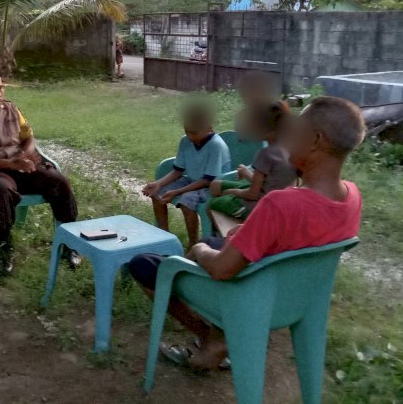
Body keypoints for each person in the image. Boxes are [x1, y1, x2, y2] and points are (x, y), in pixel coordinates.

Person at [129, 96, 365, 371]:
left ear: (315, 140)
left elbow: (222, 270)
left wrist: (198, 251)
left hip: (253, 295)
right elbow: (297, 239)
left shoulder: (279, 204)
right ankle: (219, 335)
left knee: (145, 264)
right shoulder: (351, 196)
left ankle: (213, 339)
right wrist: (247, 232)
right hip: (292, 294)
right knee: (213, 239)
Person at [0, 69, 81, 275]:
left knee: (60, 183)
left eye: (0, 88)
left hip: (22, 166)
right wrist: (11, 164)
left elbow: (29, 136)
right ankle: (6, 250)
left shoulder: (12, 110)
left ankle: (70, 244)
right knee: (0, 193)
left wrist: (26, 153)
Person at [142, 102, 231, 249]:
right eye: (187, 131)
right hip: (192, 180)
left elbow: (207, 180)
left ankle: (193, 243)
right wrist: (159, 184)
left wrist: (177, 192)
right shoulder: (185, 141)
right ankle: (163, 236)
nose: (190, 136)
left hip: (212, 186)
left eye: (194, 133)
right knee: (157, 193)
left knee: (186, 200)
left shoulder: (216, 145)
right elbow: (178, 170)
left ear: (209, 129)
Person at [207, 100, 297, 226]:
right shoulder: (292, 149)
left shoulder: (265, 154)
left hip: (259, 206)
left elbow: (253, 194)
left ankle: (229, 236)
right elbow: (272, 181)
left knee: (212, 205)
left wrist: (232, 192)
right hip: (276, 201)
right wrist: (246, 172)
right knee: (215, 185)